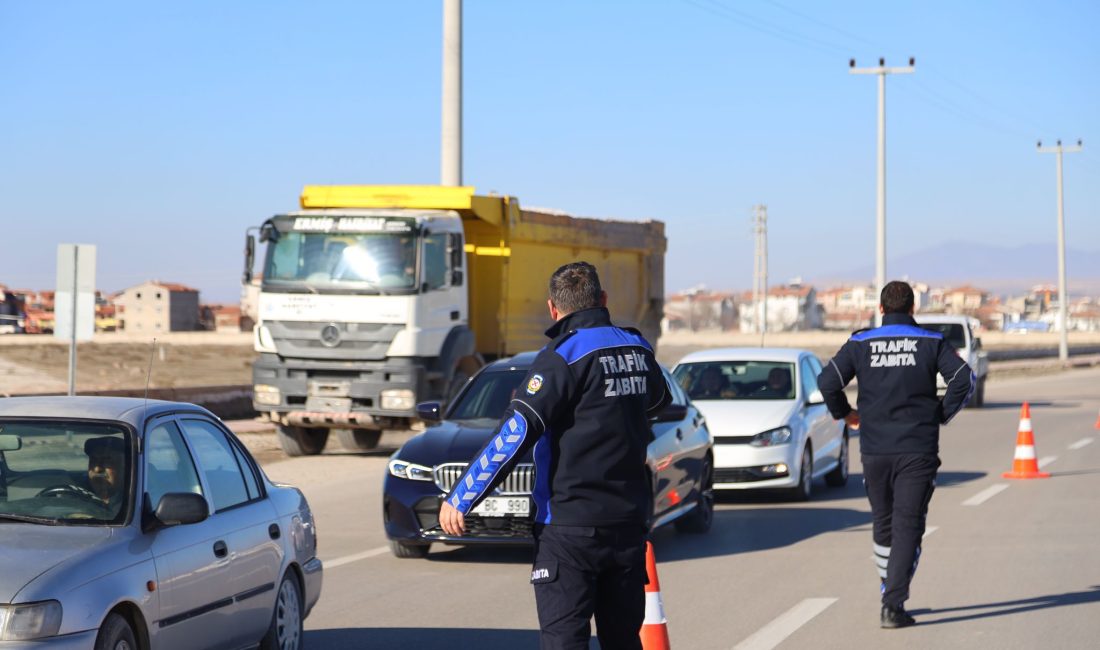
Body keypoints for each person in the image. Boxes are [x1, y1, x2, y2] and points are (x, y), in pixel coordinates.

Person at [438, 261, 670, 650]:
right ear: (603, 300)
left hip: (569, 527)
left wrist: (462, 496)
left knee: (564, 643)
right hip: (628, 524)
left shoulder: (562, 356)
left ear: (552, 308)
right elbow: (659, 400)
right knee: (623, 641)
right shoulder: (637, 346)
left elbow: (516, 433)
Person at [817, 281, 974, 629]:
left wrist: (846, 414)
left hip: (874, 449)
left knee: (884, 524)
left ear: (881, 308)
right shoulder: (931, 342)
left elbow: (828, 382)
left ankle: (889, 590)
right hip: (917, 448)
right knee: (907, 526)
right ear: (913, 308)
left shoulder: (861, 343)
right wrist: (939, 414)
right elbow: (964, 380)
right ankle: (892, 602)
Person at [85, 436, 126, 513]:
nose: (97, 469)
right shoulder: (78, 494)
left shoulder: (133, 504)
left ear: (124, 466)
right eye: (93, 461)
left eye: (107, 461)